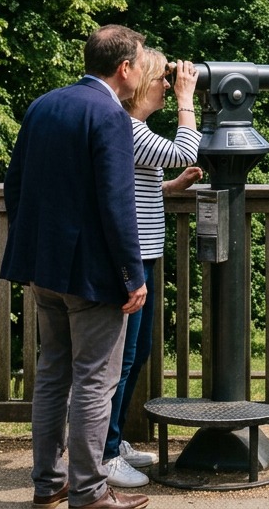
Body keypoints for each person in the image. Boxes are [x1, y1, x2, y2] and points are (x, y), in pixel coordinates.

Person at [0, 25, 151, 509]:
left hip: (45, 268)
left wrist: (30, 247)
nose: (145, 70)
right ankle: (88, 492)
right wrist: (133, 275)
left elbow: (15, 183)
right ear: (124, 68)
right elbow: (116, 203)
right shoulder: (110, 115)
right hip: (92, 276)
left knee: (52, 374)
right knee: (94, 380)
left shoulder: (45, 104)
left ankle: (48, 483)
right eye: (141, 62)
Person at [102, 50, 204, 487]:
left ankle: (114, 440)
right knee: (122, 360)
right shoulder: (130, 128)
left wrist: (169, 187)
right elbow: (185, 150)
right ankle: (104, 453)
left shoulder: (137, 132)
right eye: (163, 80)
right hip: (132, 258)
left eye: (172, 81)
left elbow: (134, 185)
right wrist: (187, 98)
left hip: (144, 255)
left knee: (137, 352)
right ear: (144, 86)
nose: (168, 84)